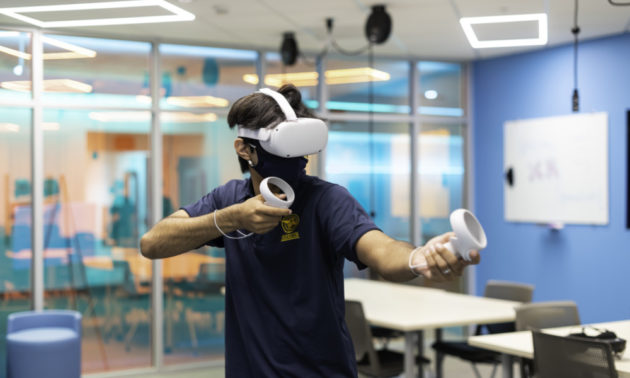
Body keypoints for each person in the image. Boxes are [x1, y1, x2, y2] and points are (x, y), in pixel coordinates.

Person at [140, 84, 480, 377]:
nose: (297, 160)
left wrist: (420, 258)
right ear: (245, 149)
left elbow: (381, 251)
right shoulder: (230, 199)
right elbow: (152, 243)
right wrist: (230, 219)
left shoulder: (326, 200)